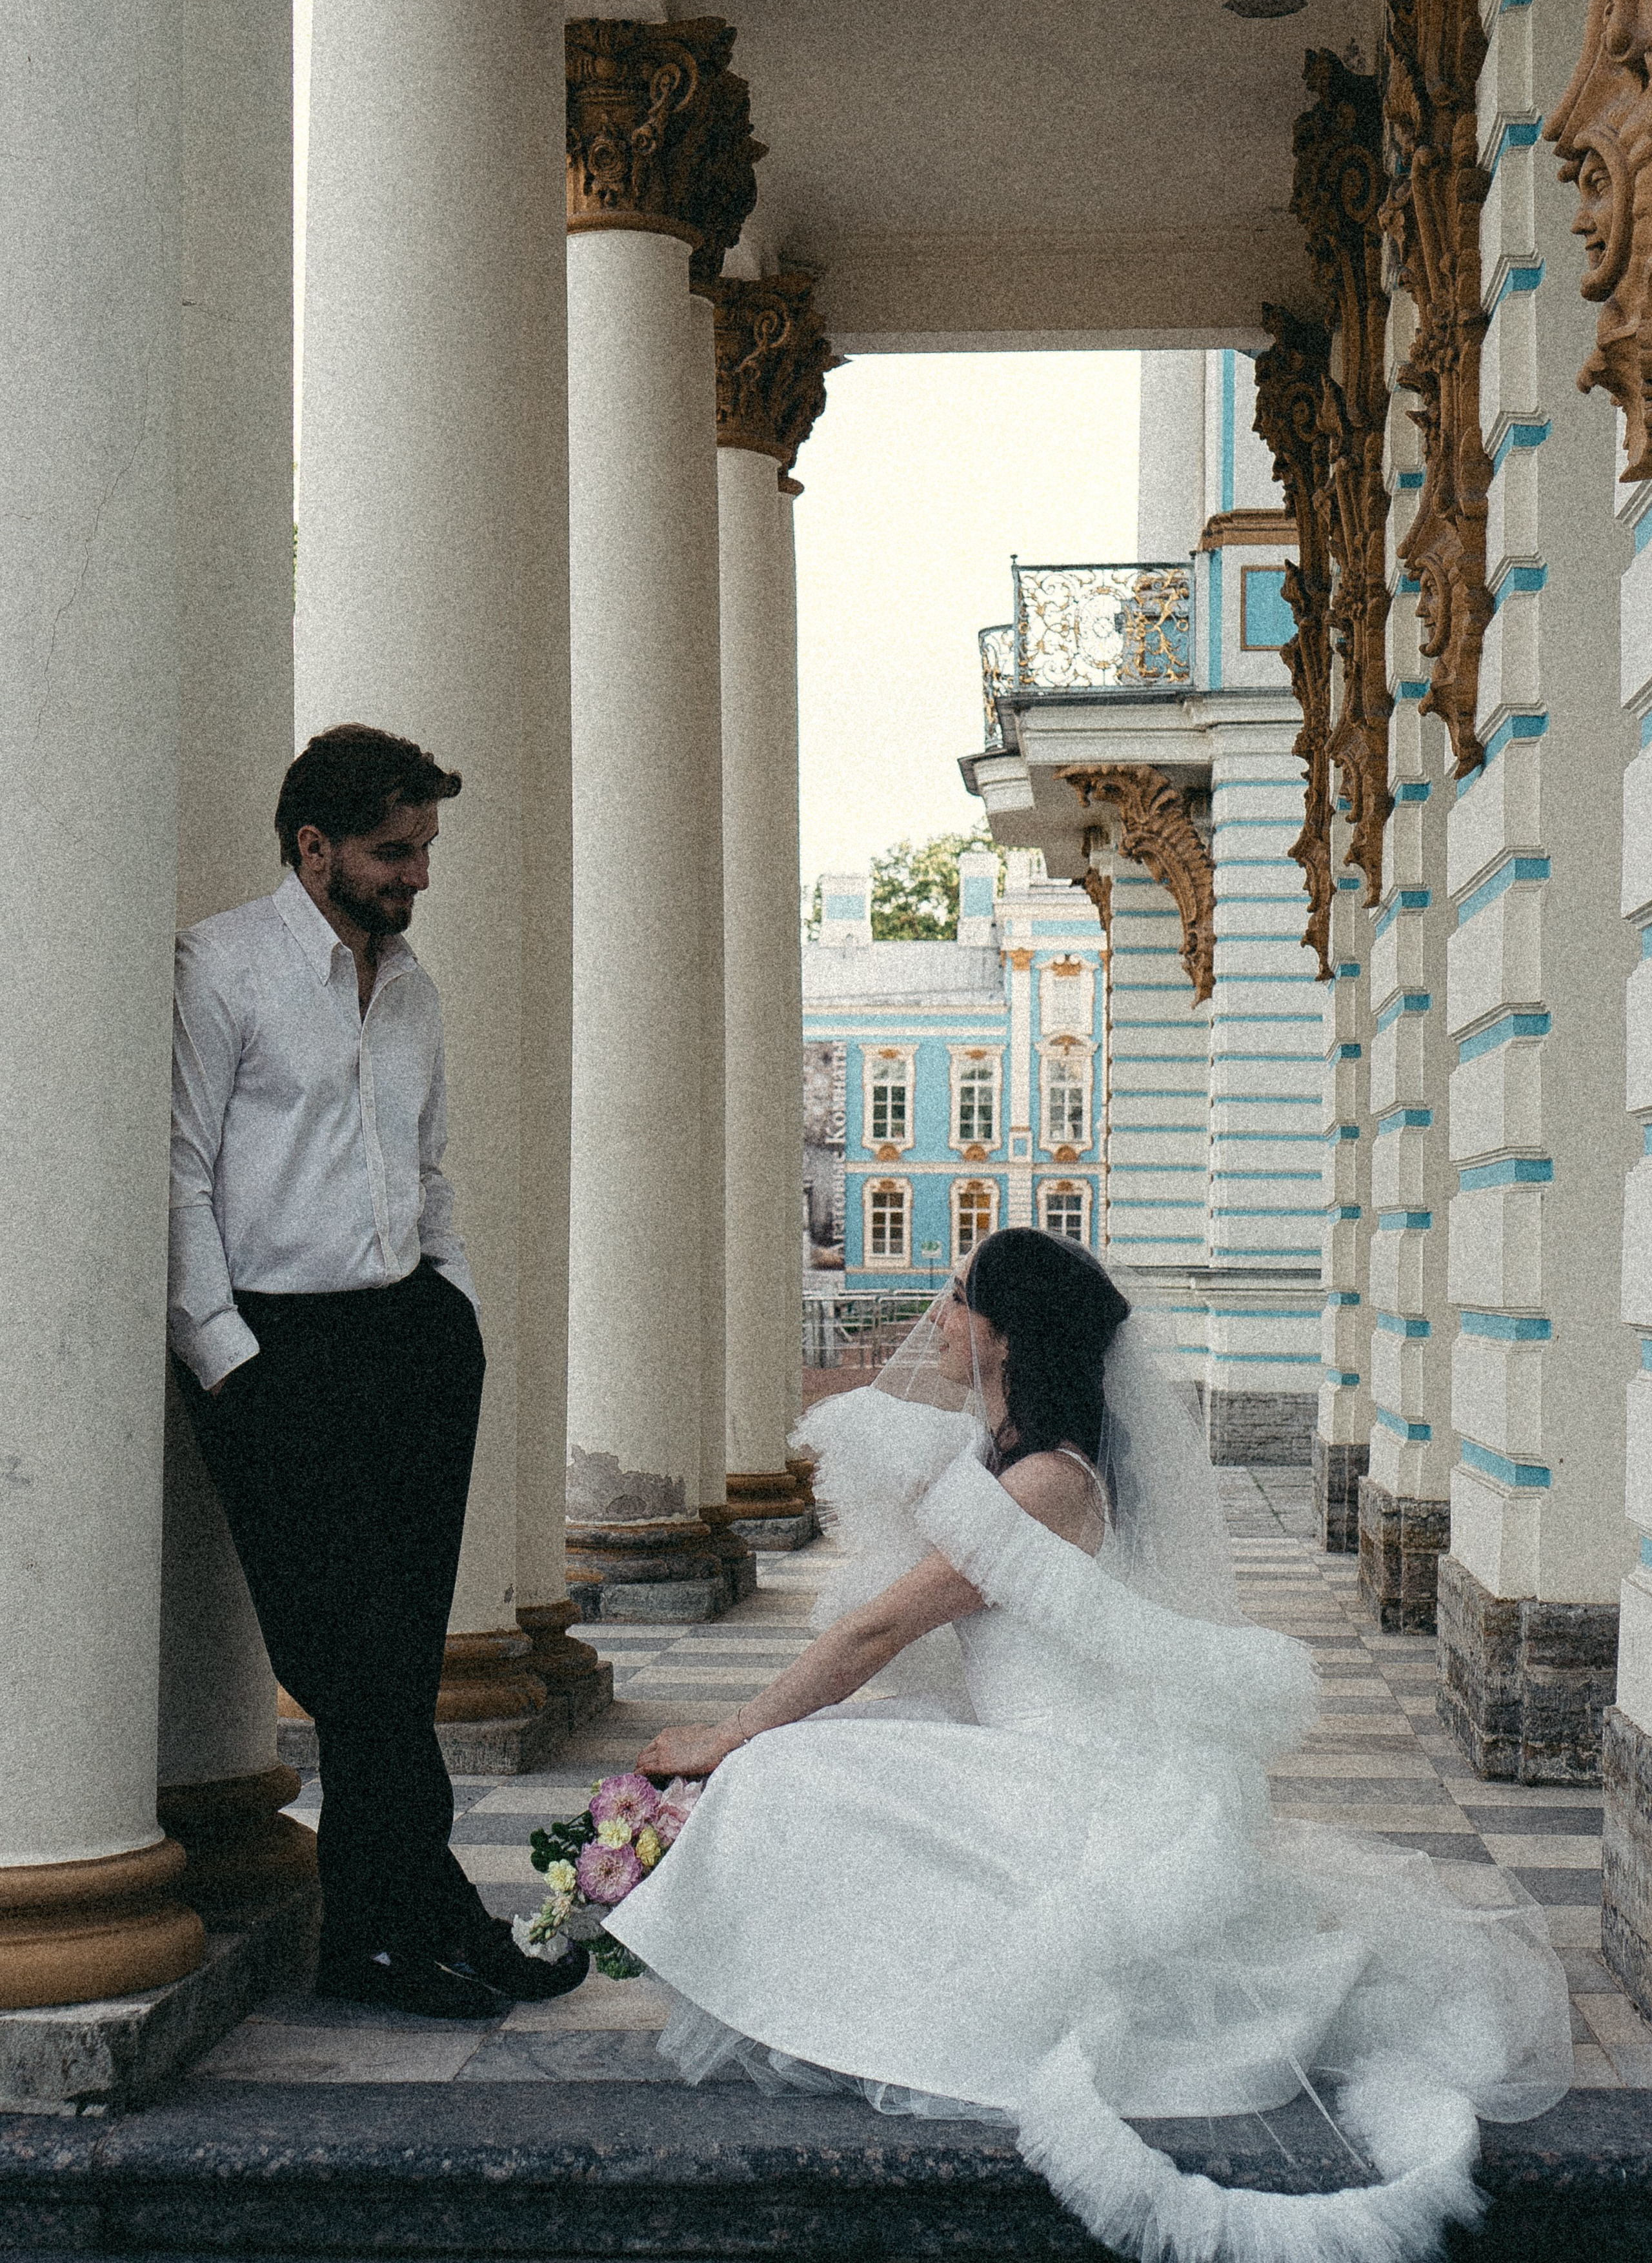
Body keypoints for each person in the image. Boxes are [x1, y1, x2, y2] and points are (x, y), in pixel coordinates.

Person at [603, 1228, 1572, 2263]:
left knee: (779, 1768)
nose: (939, 1319)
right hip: (1023, 1753)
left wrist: (731, 1731)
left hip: (1068, 1776)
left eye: (960, 1298)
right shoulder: (1011, 1465)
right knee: (824, 1763)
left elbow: (876, 1632)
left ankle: (850, 2007)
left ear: (1007, 1336)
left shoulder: (1045, 1487)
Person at [168, 723, 584, 2020]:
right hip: (274, 1355)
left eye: (424, 849)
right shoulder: (220, 969)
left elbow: (427, 1167)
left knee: (397, 1666)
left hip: (407, 1342)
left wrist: (452, 1308)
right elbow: (177, 1172)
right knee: (345, 1664)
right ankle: (424, 1919)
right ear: (316, 848)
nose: (420, 875)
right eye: (396, 852)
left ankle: (383, 1935)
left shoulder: (412, 989)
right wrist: (226, 1356)